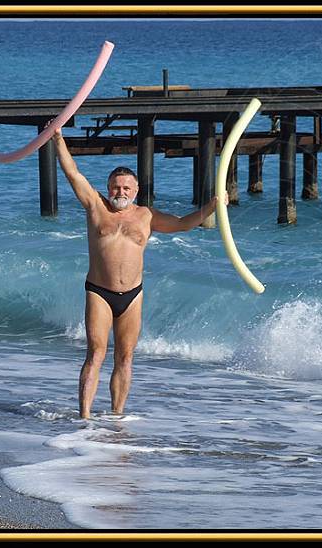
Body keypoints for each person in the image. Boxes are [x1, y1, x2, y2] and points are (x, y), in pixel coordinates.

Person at [52, 127, 224, 419]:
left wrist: (211, 208)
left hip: (132, 295)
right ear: (109, 189)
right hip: (99, 292)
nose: (120, 192)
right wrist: (57, 138)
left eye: (126, 188)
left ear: (136, 191)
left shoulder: (147, 216)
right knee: (96, 353)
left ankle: (117, 417)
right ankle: (84, 418)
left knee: (126, 357)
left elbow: (183, 224)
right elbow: (73, 174)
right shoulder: (96, 207)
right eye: (116, 187)